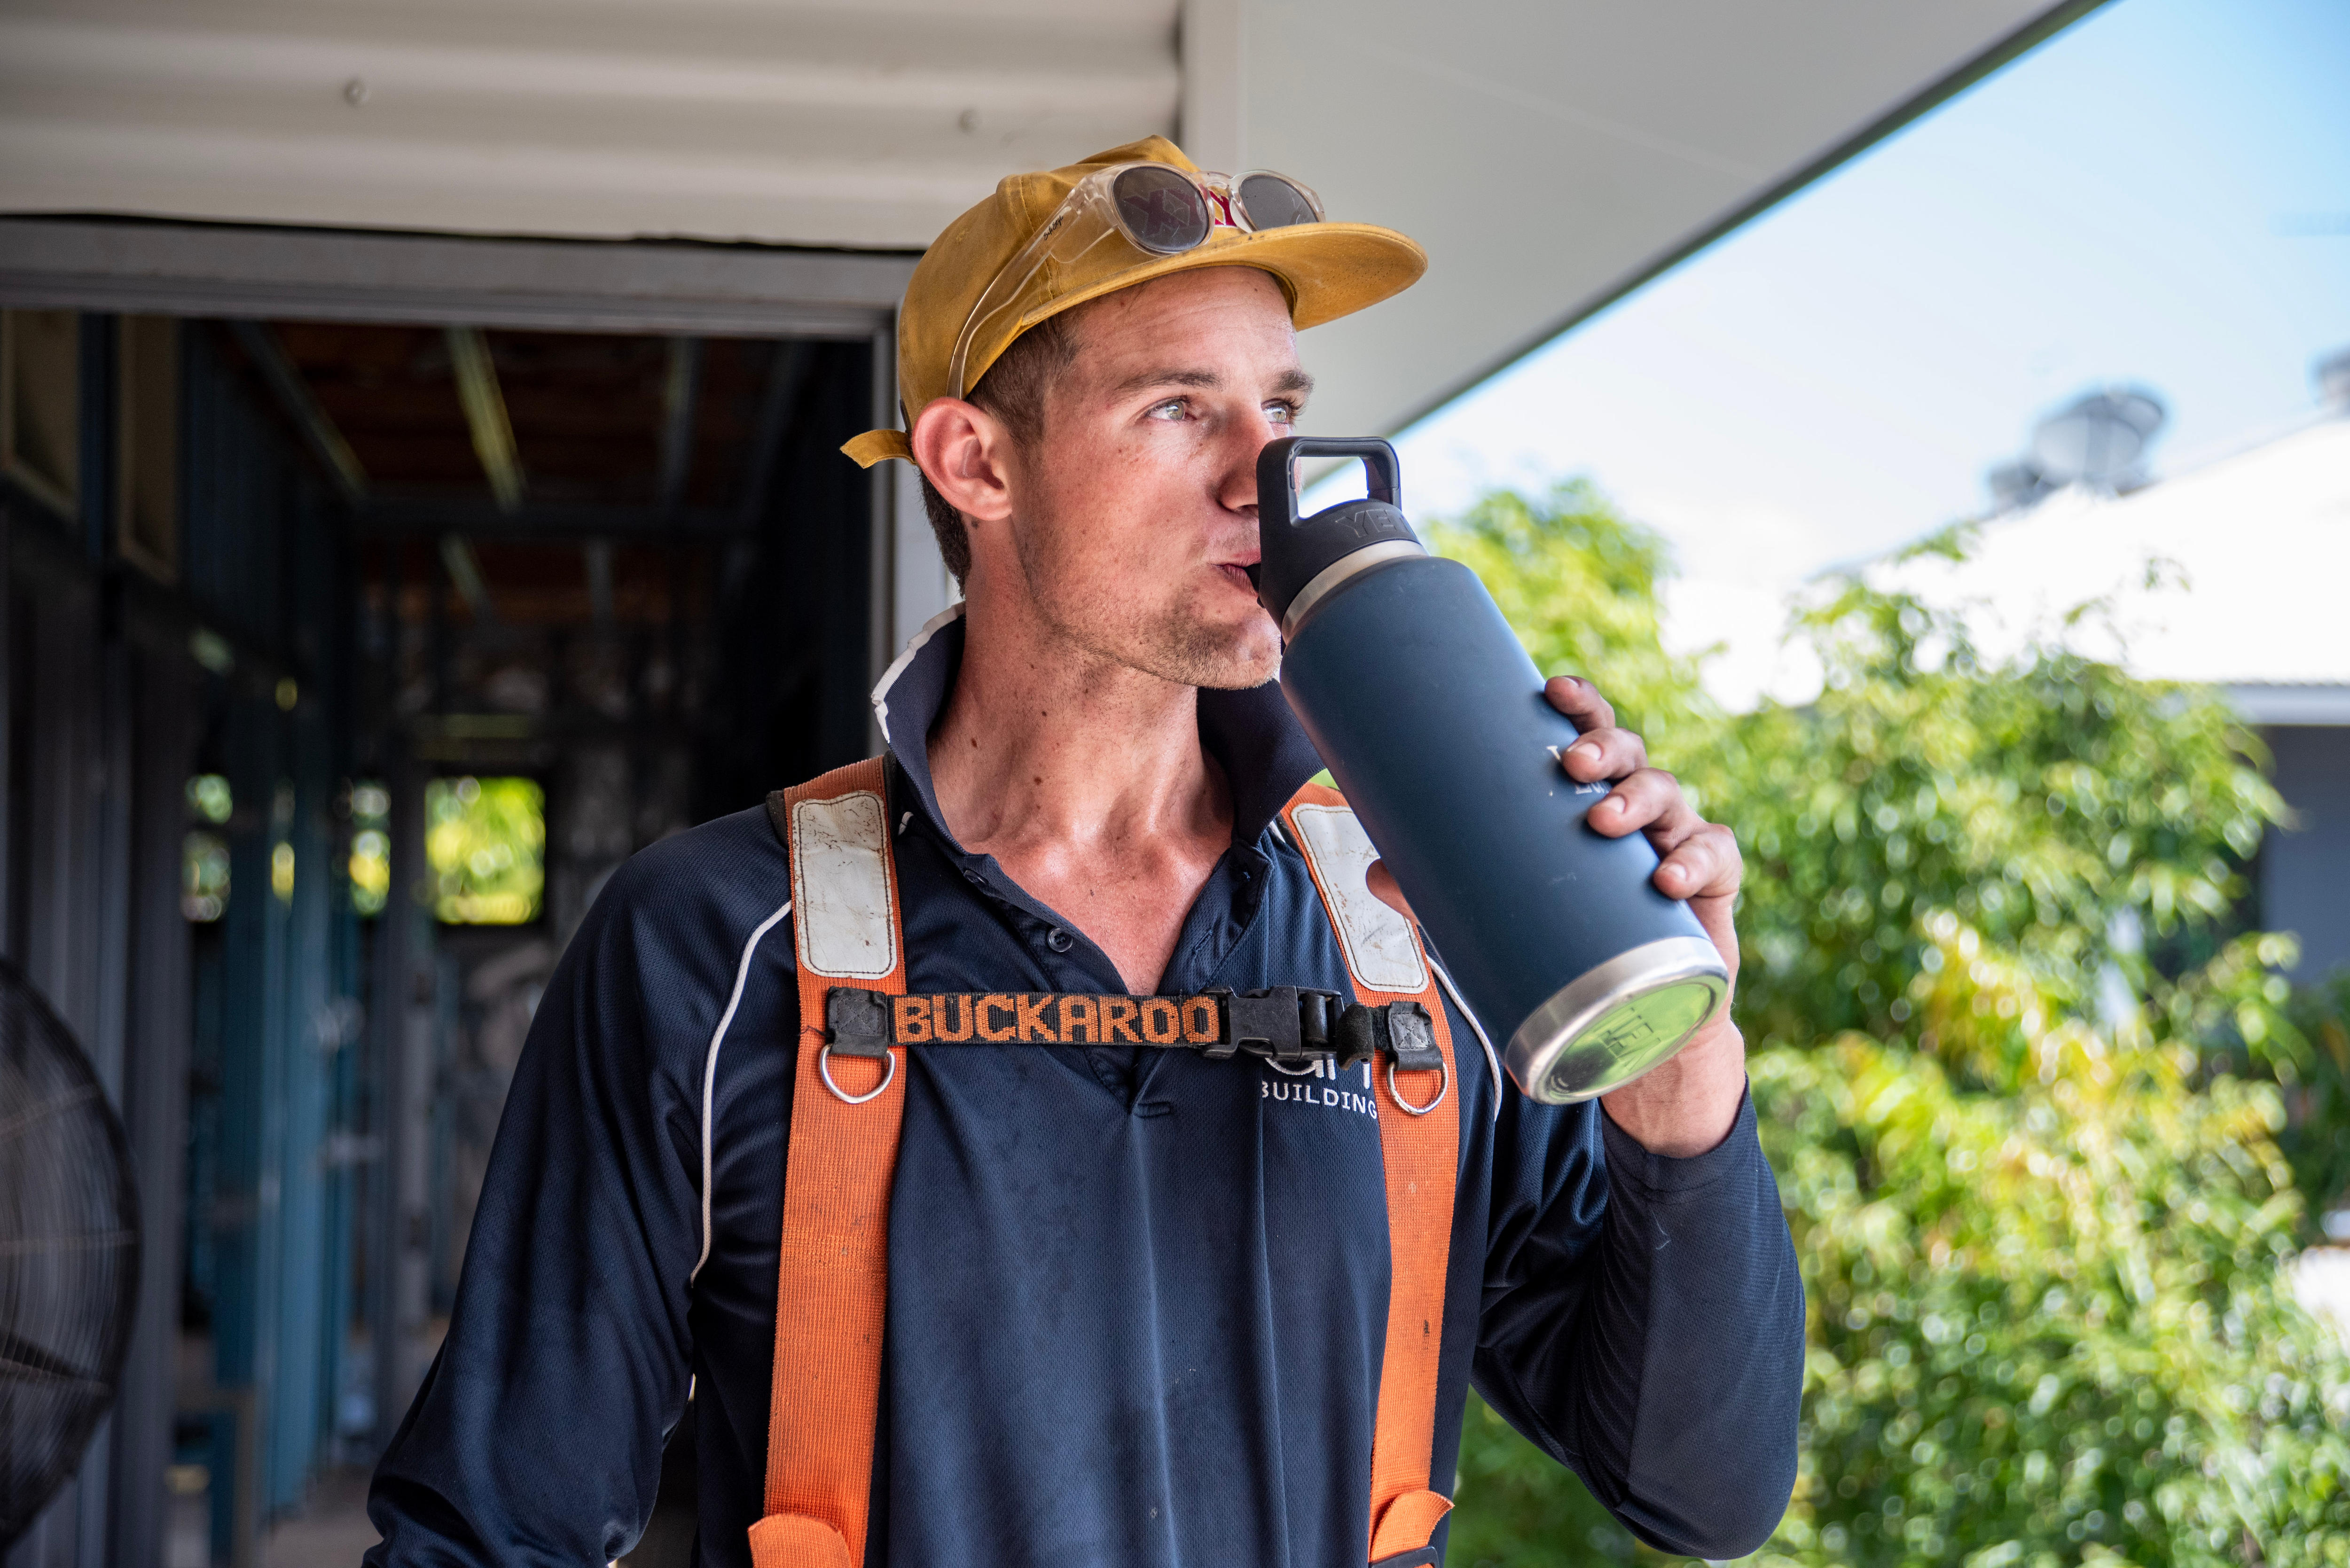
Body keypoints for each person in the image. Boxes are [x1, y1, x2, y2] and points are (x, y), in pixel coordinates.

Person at [366, 136, 1804, 1568]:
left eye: (1282, 407)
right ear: (976, 460)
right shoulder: (719, 946)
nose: (1271, 477)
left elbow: (1700, 1490)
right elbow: (490, 1535)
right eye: (1182, 410)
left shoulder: (1423, 920)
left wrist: (1680, 1072)